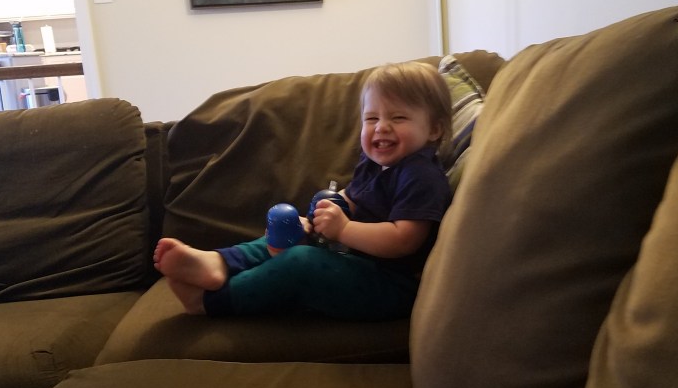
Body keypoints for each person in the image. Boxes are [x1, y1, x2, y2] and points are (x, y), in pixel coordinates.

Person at [153, 61, 453, 321]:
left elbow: (404, 239)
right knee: (299, 223)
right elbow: (355, 197)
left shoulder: (421, 175)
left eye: (398, 118)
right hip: (357, 256)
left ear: (434, 130)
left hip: (392, 285)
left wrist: (343, 229)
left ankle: (211, 302)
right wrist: (323, 215)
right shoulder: (376, 162)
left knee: (301, 262)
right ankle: (220, 262)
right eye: (372, 118)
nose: (381, 127)